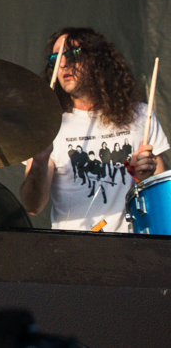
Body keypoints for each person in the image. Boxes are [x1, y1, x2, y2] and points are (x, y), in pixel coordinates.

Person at [21, 27, 170, 232]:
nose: (63, 63)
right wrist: (39, 160)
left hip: (133, 249)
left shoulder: (140, 116)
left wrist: (144, 178)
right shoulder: (51, 122)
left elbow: (160, 200)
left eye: (72, 54)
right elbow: (33, 206)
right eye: (55, 57)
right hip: (75, 250)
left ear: (98, 60)